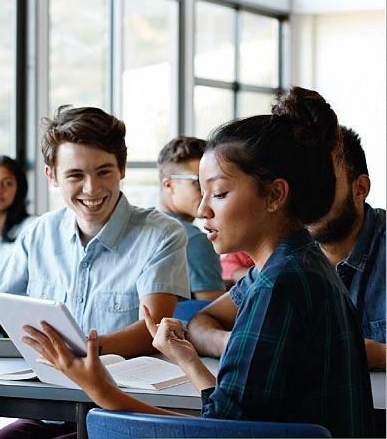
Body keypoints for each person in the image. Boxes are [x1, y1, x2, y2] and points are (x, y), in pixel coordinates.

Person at [22, 87, 374, 438]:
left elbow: (219, 434)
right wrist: (187, 358)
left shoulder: (282, 283)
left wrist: (100, 389)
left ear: (275, 195)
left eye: (219, 194)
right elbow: (232, 415)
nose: (203, 210)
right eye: (202, 193)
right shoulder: (288, 264)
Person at [0, 105, 190, 438]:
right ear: (52, 175)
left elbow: (150, 331)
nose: (92, 188)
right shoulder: (39, 233)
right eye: (75, 175)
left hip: (120, 411)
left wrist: (72, 354)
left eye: (104, 172)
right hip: (48, 408)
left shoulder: (162, 233)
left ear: (121, 168)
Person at [308, 126, 385, 370]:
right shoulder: (294, 249)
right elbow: (206, 320)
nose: (308, 201)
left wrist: (379, 354)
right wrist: (234, 342)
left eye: (323, 184)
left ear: (360, 189)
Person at [157, 136, 225, 300]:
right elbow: (214, 310)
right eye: (197, 182)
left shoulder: (141, 227)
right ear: (169, 185)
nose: (206, 192)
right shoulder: (193, 240)